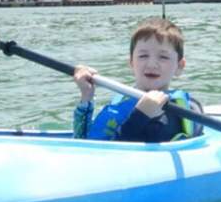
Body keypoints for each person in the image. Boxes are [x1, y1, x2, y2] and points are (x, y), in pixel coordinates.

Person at [72, 17, 202, 142]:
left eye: (163, 57)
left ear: (179, 66)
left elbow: (118, 154)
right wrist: (86, 98)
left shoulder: (181, 112)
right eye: (143, 55)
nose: (151, 64)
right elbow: (83, 141)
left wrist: (141, 115)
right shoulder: (121, 102)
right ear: (131, 62)